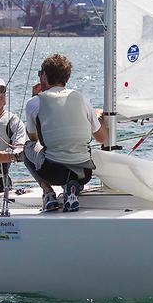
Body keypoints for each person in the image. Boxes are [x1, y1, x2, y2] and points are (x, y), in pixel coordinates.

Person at [24, 54, 107, 212]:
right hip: (84, 173)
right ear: (66, 77)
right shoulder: (81, 99)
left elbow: (33, 137)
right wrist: (96, 116)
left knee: (27, 148)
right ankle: (71, 190)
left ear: (44, 75)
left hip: (53, 172)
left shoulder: (34, 102)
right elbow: (101, 138)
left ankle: (48, 194)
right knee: (71, 152)